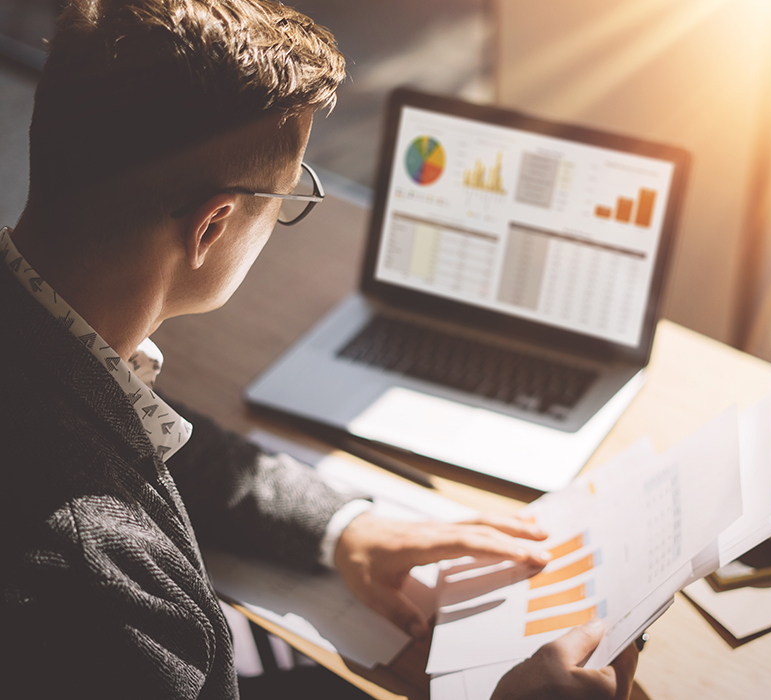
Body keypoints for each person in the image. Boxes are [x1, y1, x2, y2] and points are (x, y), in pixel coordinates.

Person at [0, 1, 638, 698]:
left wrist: (342, 527)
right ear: (212, 227)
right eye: (285, 197)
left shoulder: (47, 354)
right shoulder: (101, 587)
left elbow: (130, 435)